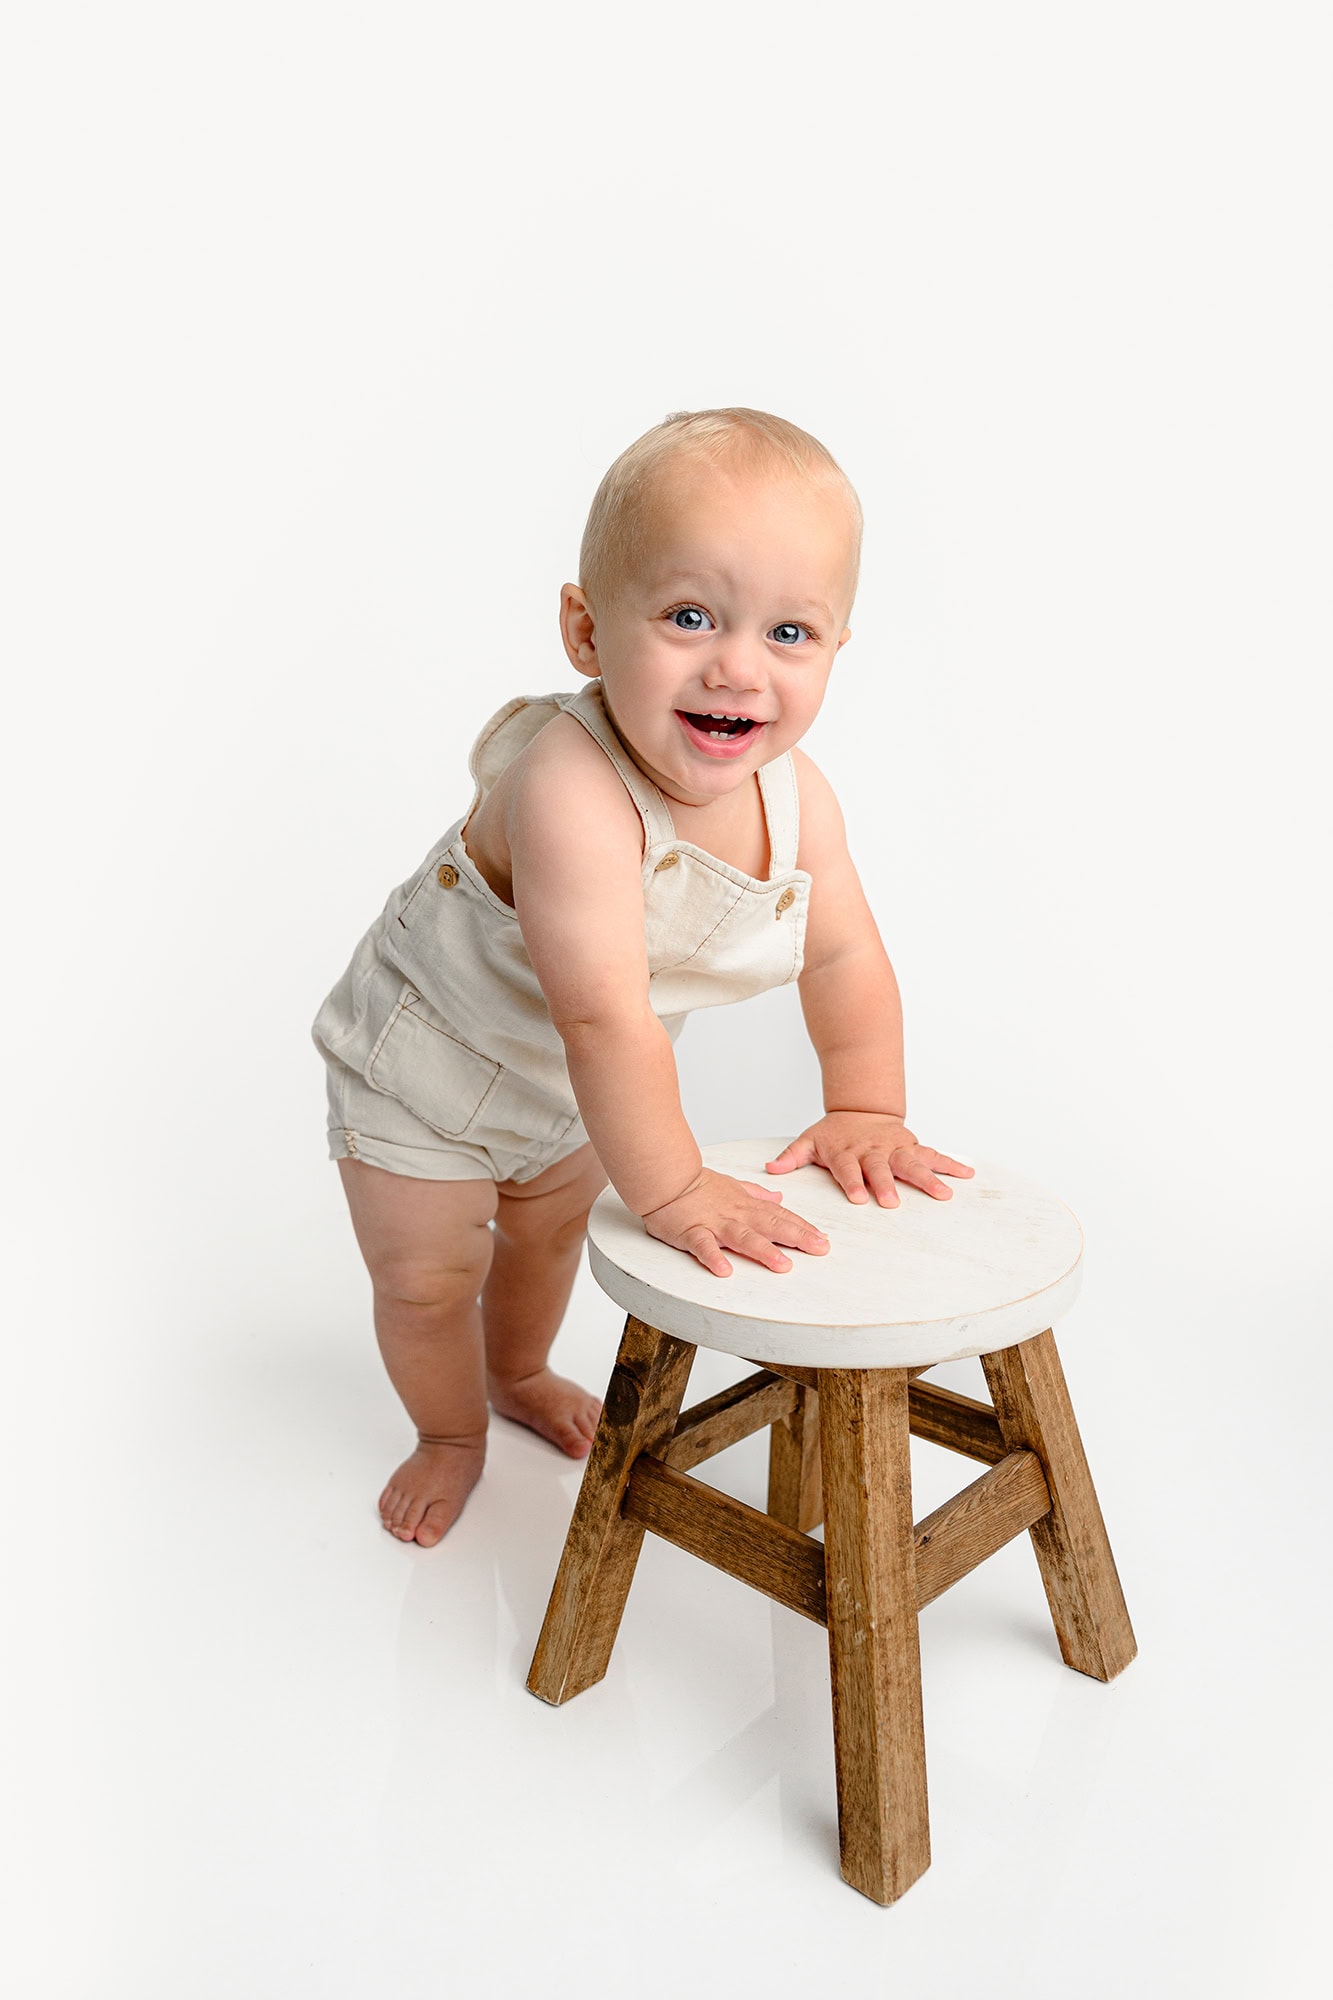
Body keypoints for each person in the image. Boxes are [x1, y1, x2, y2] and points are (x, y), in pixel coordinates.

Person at [311, 407, 973, 1548]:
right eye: (687, 615)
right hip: (423, 1072)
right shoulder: (569, 785)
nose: (736, 664)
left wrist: (866, 1105)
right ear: (584, 628)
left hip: (574, 1091)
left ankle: (516, 1372)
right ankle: (449, 1431)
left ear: (835, 650)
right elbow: (602, 1009)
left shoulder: (797, 795)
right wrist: (667, 1191)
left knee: (546, 1240)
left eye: (789, 632)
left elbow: (845, 950)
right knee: (428, 1275)